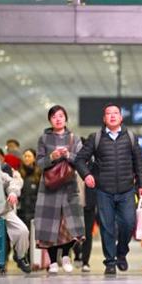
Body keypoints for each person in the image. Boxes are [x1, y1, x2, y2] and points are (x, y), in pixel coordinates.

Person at [74, 104, 142, 276]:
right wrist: (86, 175)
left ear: (121, 117)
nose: (112, 116)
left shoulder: (130, 137)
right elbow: (79, 160)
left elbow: (139, 163)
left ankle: (121, 253)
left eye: (116, 113)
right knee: (107, 227)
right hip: (103, 191)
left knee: (128, 223)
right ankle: (110, 262)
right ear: (104, 118)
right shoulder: (96, 138)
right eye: (108, 113)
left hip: (127, 190)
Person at [35, 106, 86, 274]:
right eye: (54, 116)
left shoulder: (74, 139)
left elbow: (81, 160)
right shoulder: (44, 139)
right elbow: (39, 163)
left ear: (66, 118)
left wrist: (68, 155)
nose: (58, 119)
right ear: (50, 120)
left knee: (71, 224)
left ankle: (65, 256)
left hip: (69, 186)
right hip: (49, 187)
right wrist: (52, 157)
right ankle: (52, 262)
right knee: (50, 225)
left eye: (61, 116)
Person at [17, 149, 41, 229]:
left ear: (34, 158)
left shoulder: (39, 174)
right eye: (25, 156)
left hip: (35, 210)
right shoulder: (18, 173)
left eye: (29, 156)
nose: (26, 158)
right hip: (21, 210)